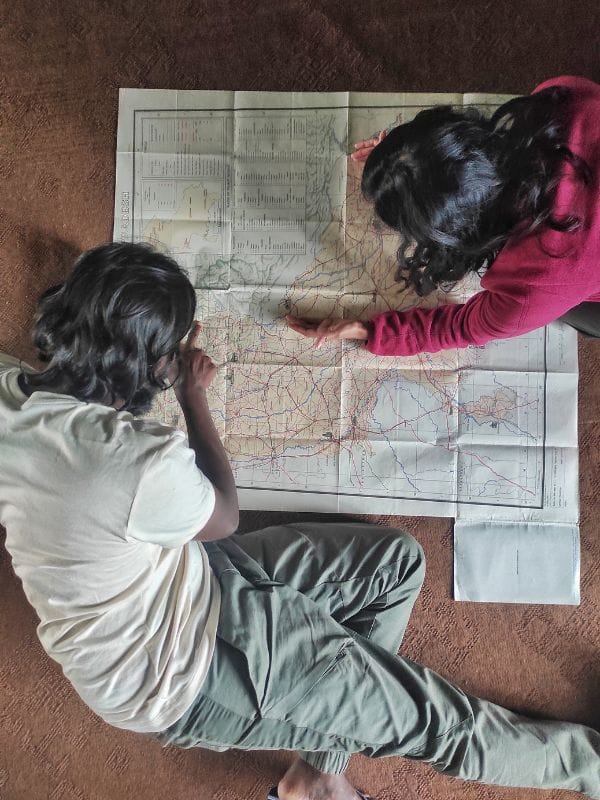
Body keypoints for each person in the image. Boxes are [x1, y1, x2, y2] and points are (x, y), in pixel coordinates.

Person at [1, 242, 599, 800]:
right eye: (172, 349)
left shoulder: (12, 395)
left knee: (395, 564)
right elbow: (224, 514)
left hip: (179, 573)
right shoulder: (136, 460)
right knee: (437, 725)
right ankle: (590, 767)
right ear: (149, 366)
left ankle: (316, 775)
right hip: (183, 669)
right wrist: (191, 394)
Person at [286, 76, 600, 355]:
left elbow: (462, 328)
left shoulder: (535, 287)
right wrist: (411, 160)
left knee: (576, 313)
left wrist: (367, 331)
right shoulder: (566, 98)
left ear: (455, 232)